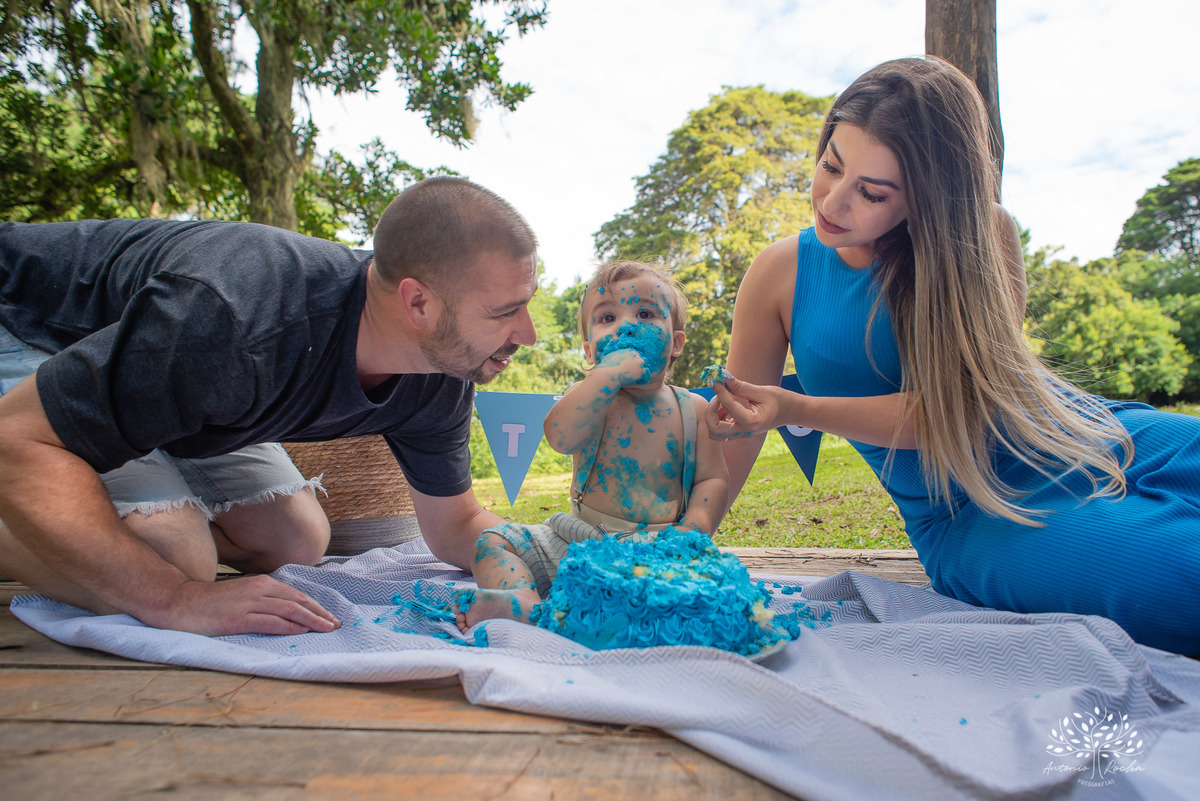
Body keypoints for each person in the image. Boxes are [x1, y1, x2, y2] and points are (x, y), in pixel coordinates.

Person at [706, 56, 1200, 655]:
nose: (832, 203)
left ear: (929, 196)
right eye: (829, 166)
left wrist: (796, 407)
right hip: (975, 515)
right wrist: (684, 541)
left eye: (871, 192)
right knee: (1182, 578)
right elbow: (736, 431)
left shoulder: (984, 233)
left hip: (1088, 433)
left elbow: (963, 411)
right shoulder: (779, 273)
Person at [0, 176, 540, 638]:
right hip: (31, 328)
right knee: (174, 562)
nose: (530, 334)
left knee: (295, 541)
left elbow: (457, 524)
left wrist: (558, 564)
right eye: (506, 311)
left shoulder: (439, 374)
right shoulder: (236, 320)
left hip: (159, 391)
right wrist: (177, 599)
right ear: (418, 302)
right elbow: (17, 439)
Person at [455, 260, 728, 631]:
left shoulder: (692, 409)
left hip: (656, 550)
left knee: (699, 591)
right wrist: (607, 376)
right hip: (576, 541)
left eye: (645, 313)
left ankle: (605, 610)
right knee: (493, 542)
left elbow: (712, 478)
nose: (626, 326)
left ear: (675, 342)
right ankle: (523, 601)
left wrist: (695, 525)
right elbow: (559, 436)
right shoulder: (591, 399)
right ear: (589, 351)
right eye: (607, 318)